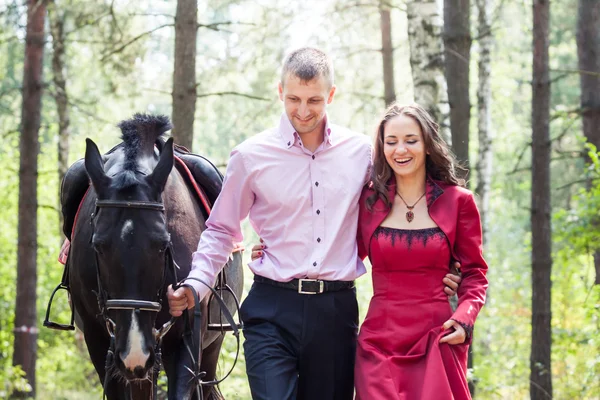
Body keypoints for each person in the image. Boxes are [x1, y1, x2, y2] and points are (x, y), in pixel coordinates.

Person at [167, 48, 461, 400]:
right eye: (293, 99)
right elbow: (221, 229)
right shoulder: (250, 156)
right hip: (272, 308)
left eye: (314, 100)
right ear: (280, 92)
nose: (303, 111)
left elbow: (403, 208)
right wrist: (196, 284)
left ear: (331, 96)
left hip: (335, 313)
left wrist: (443, 265)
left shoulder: (362, 153)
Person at [353, 103, 488, 399]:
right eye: (392, 142)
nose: (401, 150)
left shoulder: (459, 202)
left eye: (411, 140)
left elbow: (476, 274)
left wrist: (465, 320)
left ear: (427, 144)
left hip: (437, 339)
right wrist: (280, 248)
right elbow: (337, 252)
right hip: (378, 342)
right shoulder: (368, 202)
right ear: (382, 148)